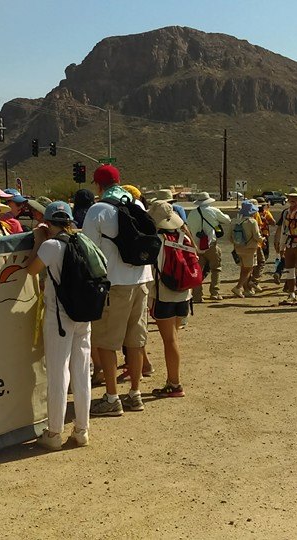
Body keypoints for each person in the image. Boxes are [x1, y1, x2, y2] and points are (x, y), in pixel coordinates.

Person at [83, 165, 154, 416]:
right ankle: (135, 394)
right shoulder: (137, 203)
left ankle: (112, 398)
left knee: (107, 342)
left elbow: (89, 249)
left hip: (114, 284)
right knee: (135, 341)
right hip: (141, 279)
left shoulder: (98, 210)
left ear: (98, 185)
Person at [25, 201, 92, 450]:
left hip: (59, 316)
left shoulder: (52, 246)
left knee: (58, 372)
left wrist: (38, 241)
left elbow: (31, 270)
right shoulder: (83, 242)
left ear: (48, 222)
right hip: (83, 313)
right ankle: (82, 430)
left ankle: (54, 433)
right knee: (81, 372)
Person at [146, 200, 191, 398]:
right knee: (174, 338)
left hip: (163, 295)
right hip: (184, 293)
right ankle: (172, 381)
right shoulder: (184, 238)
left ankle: (175, 383)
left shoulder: (156, 241)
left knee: (169, 340)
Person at [185, 192, 231, 302]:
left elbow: (188, 228)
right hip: (210, 245)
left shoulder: (192, 213)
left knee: (198, 271)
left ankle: (197, 295)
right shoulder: (213, 211)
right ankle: (214, 292)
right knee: (216, 269)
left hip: (196, 246)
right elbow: (227, 220)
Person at [231, 200, 261, 298]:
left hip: (238, 248)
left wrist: (236, 244)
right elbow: (256, 236)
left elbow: (229, 236)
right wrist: (262, 239)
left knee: (243, 269)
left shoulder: (235, 221)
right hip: (250, 249)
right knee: (248, 269)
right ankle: (238, 287)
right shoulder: (252, 222)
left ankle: (245, 290)